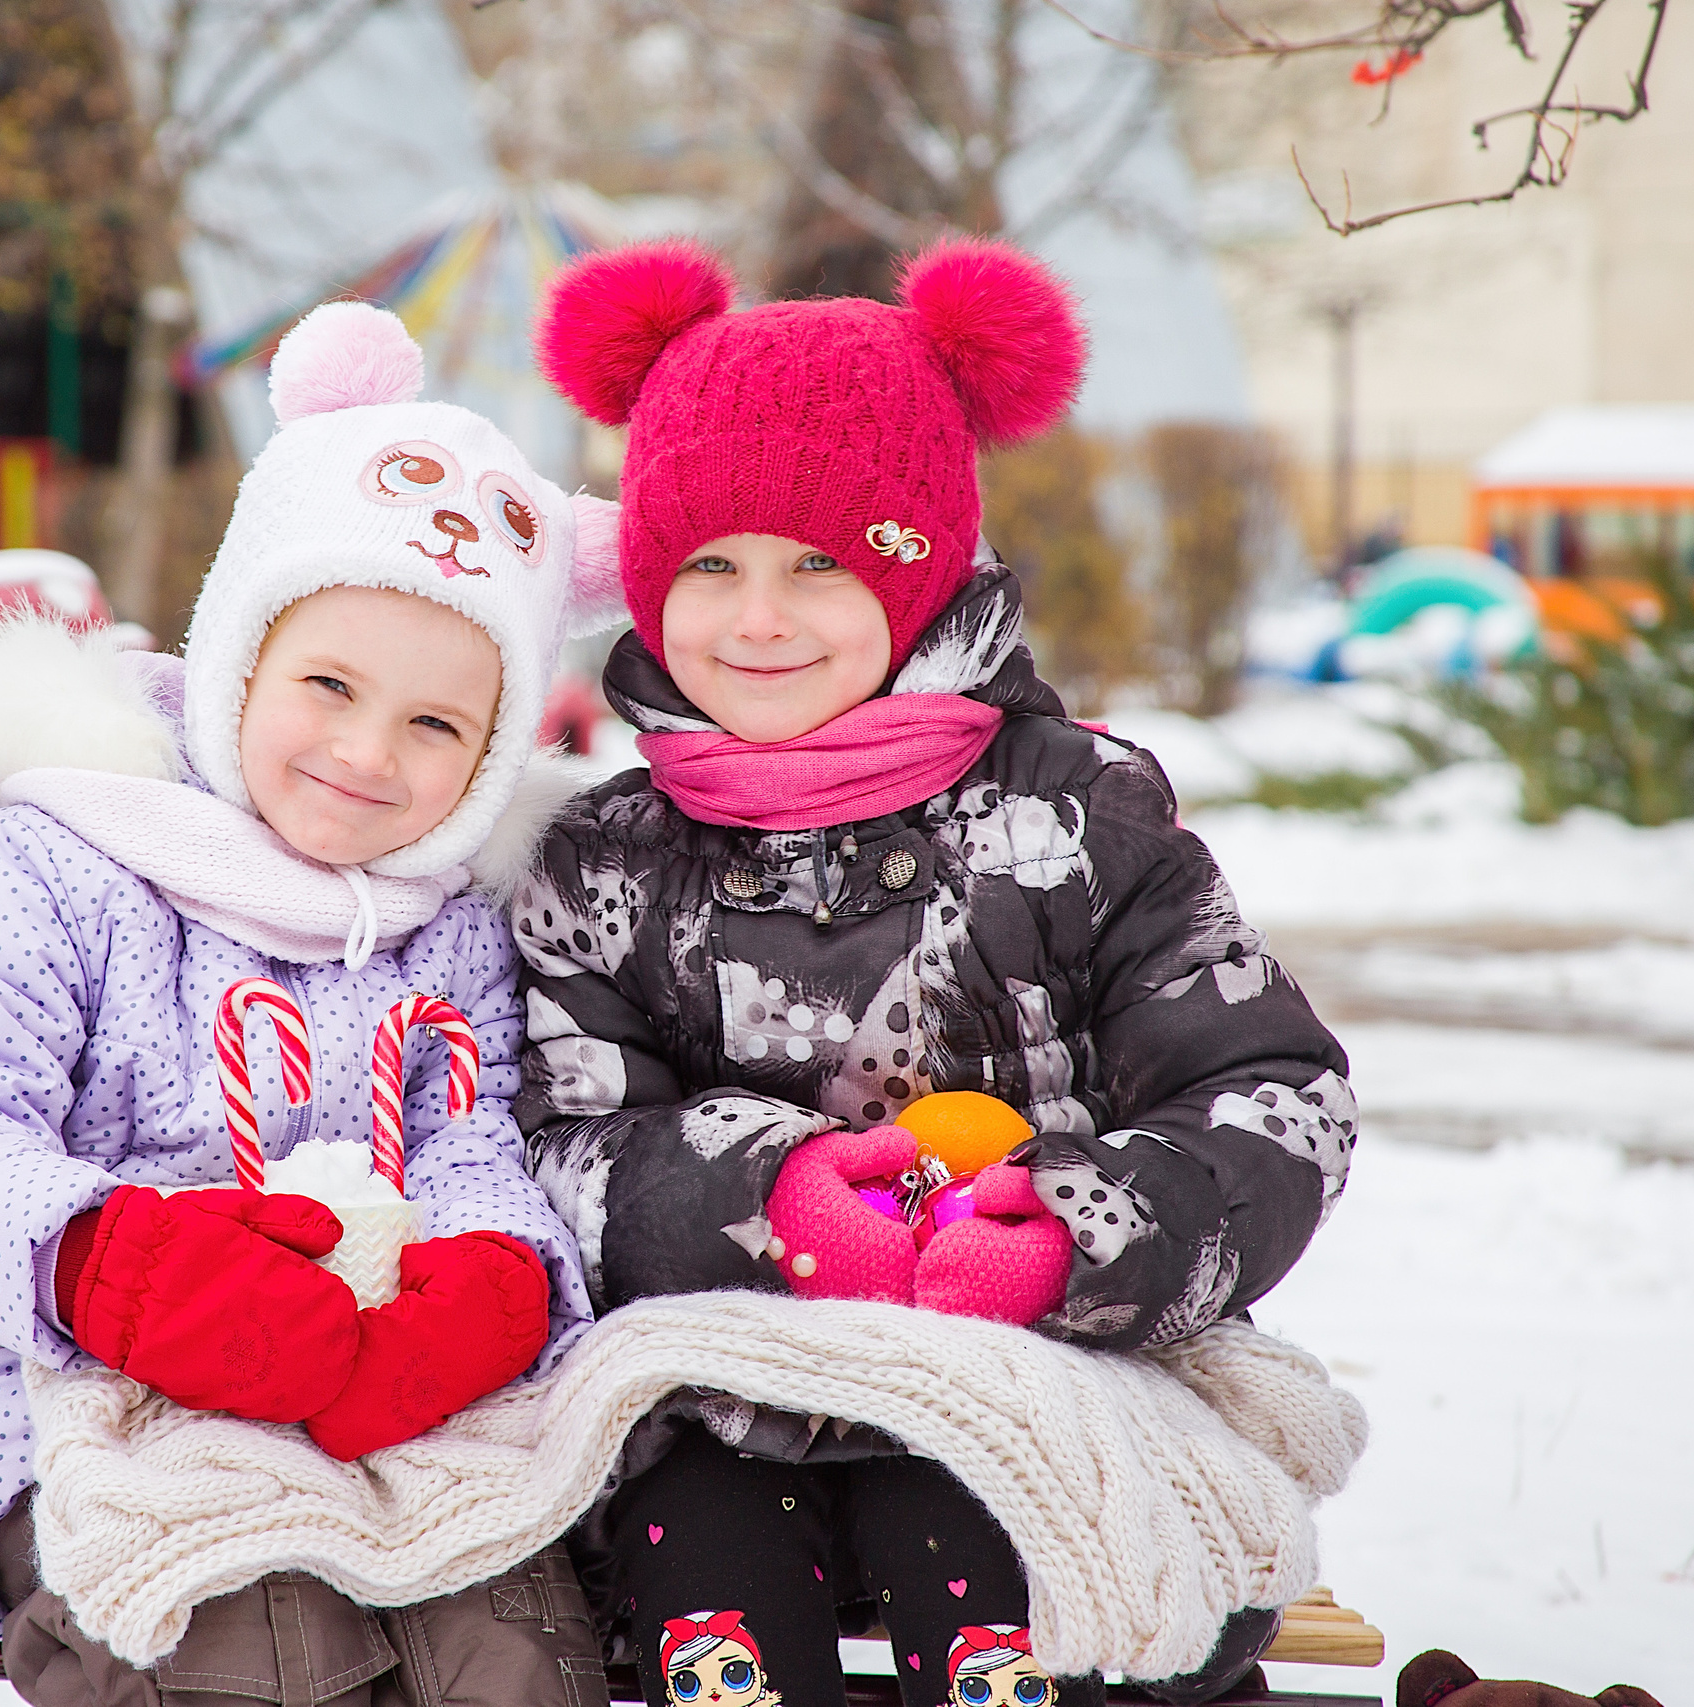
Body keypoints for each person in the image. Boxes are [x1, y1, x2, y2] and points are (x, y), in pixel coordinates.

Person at [515, 238, 1359, 1707]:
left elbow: (1272, 1095)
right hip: (715, 1405)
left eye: (819, 566)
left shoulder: (1079, 811)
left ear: (919, 570)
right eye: (708, 566)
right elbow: (559, 1137)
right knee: (709, 1616)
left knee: (1008, 1607)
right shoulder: (604, 855)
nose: (758, 617)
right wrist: (768, 1200)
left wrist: (1074, 1230)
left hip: (1034, 1386)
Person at [0, 300, 625, 1707]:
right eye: (328, 683)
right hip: (66, 1381)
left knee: (508, 1634)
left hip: (377, 1397)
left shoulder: (446, 926)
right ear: (238, 655)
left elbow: (464, 1144)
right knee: (254, 1641)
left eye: (440, 725)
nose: (367, 754)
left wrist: (490, 1291)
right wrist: (108, 1266)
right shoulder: (66, 855)